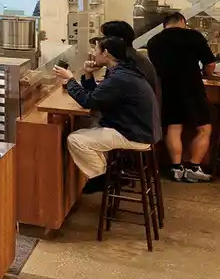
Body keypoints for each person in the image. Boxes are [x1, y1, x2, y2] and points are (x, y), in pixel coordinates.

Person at [53, 36, 156, 193]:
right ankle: (108, 173)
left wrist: (70, 80)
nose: (93, 53)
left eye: (95, 49)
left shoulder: (119, 77)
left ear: (105, 53)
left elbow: (88, 101)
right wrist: (88, 74)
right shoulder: (123, 70)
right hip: (137, 127)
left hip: (134, 133)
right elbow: (98, 97)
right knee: (87, 124)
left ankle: (102, 178)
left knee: (75, 140)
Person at [147, 11, 216, 182]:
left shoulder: (154, 41)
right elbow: (210, 64)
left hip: (168, 88)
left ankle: (176, 168)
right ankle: (193, 167)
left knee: (174, 127)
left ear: (165, 24)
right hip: (192, 87)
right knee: (204, 129)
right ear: (183, 22)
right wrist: (206, 73)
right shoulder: (193, 36)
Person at [99, 20, 161, 143]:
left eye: (105, 37)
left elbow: (102, 98)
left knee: (86, 124)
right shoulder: (133, 58)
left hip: (136, 126)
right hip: (143, 121)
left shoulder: (126, 62)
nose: (102, 41)